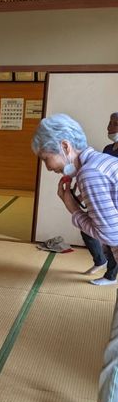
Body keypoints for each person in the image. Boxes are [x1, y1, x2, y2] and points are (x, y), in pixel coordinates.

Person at [33, 113, 118, 402]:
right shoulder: (104, 162)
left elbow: (112, 234)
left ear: (66, 147)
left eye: (46, 158)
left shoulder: (91, 173)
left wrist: (71, 208)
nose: (48, 166)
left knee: (115, 363)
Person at [79, 112, 118, 285]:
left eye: (114, 124)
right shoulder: (108, 149)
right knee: (86, 228)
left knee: (113, 238)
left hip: (114, 203)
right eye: (109, 123)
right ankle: (100, 261)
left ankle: (110, 275)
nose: (109, 127)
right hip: (100, 200)